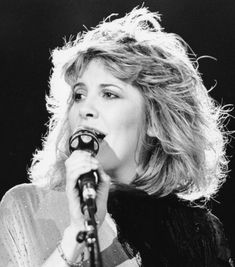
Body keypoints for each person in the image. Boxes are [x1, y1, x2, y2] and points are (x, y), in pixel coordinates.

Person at [0, 6, 233, 267]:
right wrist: (77, 237)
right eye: (79, 95)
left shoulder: (197, 232)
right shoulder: (27, 206)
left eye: (109, 94)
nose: (85, 109)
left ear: (154, 121)